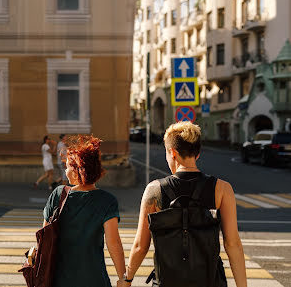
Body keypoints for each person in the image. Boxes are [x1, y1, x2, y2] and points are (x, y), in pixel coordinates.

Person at [121, 121, 247, 287]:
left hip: (167, 281)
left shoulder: (154, 190)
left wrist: (127, 279)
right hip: (210, 281)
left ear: (172, 153)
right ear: (198, 153)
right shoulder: (222, 189)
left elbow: (140, 246)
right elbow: (233, 244)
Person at [43, 135, 126, 287]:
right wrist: (123, 278)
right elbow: (113, 242)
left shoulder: (58, 195)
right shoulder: (107, 201)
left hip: (60, 279)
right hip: (94, 279)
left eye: (67, 166)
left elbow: (44, 237)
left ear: (77, 171)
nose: (66, 171)